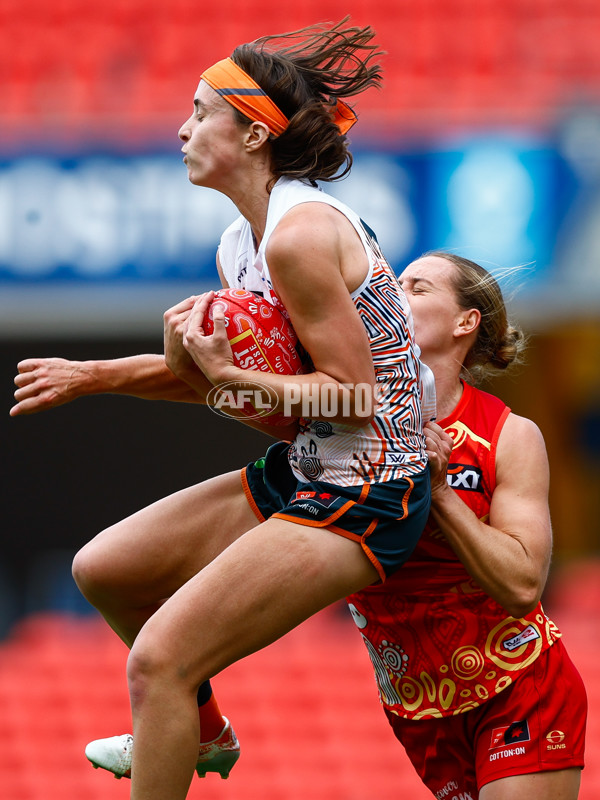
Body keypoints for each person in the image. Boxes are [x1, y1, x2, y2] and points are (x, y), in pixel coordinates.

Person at [11, 20, 432, 800]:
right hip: (311, 466)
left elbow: (356, 395)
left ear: (252, 135)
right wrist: (93, 375)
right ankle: (202, 734)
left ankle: (175, 723)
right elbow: (222, 381)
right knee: (104, 570)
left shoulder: (299, 237)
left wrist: (234, 379)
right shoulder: (241, 241)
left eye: (201, 112)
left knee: (159, 660)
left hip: (371, 490)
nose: (182, 126)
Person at [343, 251, 587, 799]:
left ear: (464, 322)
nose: (390, 293)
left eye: (416, 286)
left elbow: (523, 585)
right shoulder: (342, 414)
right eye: (388, 284)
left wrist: (438, 493)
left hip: (518, 683)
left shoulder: (508, 434)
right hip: (417, 705)